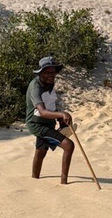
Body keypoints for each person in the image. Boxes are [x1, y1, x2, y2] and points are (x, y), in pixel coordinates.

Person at [25, 55, 75, 184]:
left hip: (47, 123)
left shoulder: (49, 83)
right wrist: (61, 114)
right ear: (41, 72)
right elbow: (41, 111)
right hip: (37, 124)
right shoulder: (35, 87)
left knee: (41, 151)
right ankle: (64, 183)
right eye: (47, 72)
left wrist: (60, 120)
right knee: (69, 146)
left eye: (53, 72)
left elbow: (51, 102)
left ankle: (34, 180)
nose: (51, 75)